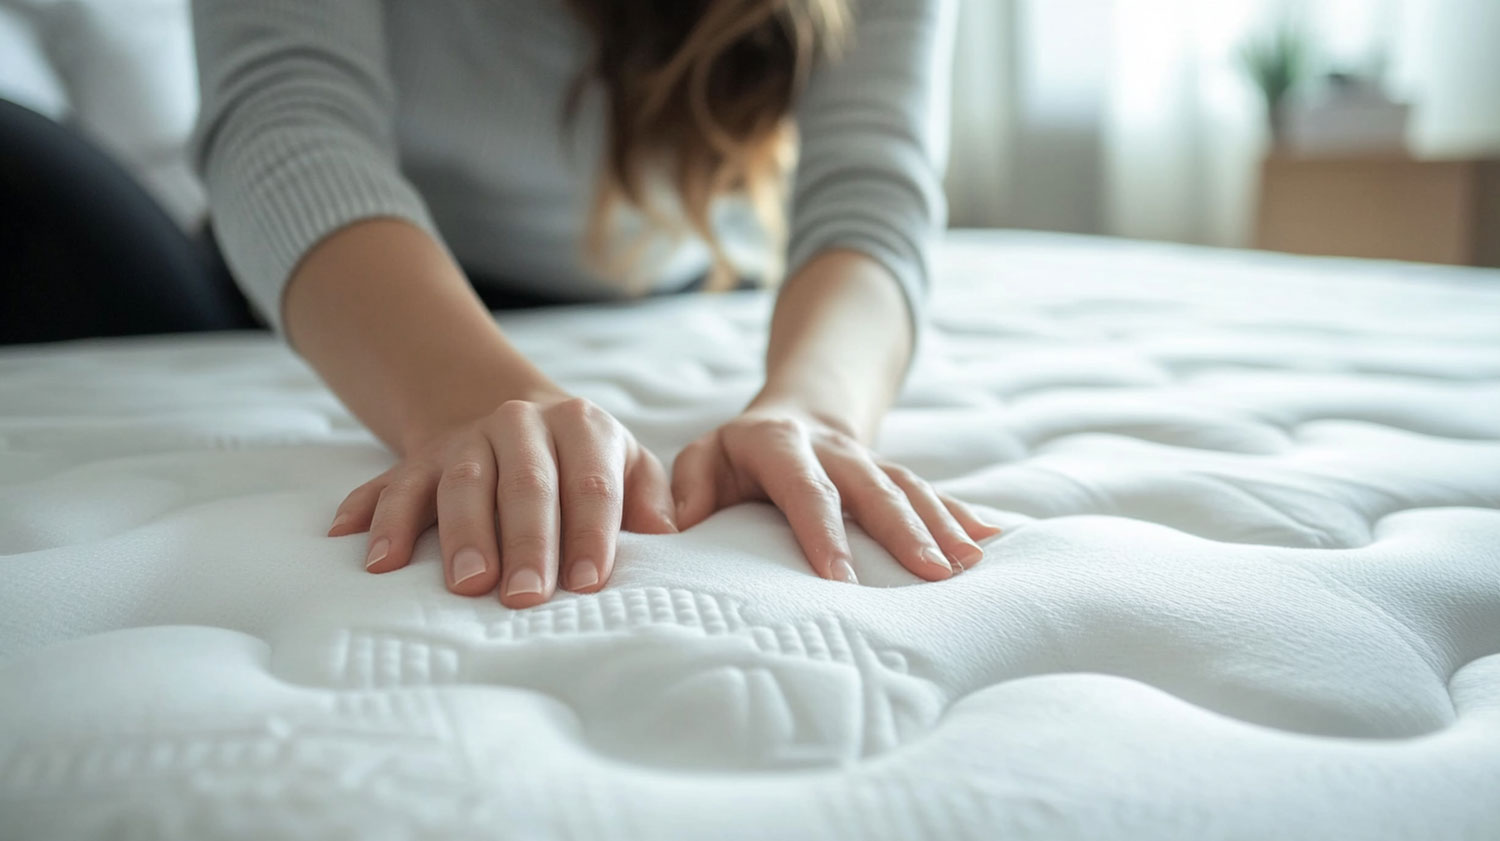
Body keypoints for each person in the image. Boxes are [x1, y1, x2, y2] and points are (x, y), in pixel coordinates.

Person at [192, 0, 1000, 608]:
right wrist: (469, 398)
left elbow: (868, 186)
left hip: (677, 281)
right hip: (333, 273)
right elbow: (284, 115)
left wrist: (817, 408)